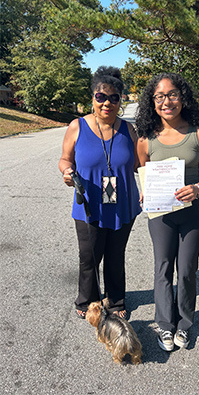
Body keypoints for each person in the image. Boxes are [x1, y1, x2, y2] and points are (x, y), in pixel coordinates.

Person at [136, 73, 199, 351]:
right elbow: (143, 174)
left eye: (172, 94)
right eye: (159, 96)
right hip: (161, 216)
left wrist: (197, 187)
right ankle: (165, 326)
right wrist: (144, 191)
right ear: (152, 102)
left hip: (191, 213)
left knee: (186, 270)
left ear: (182, 97)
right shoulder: (146, 139)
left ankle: (184, 324)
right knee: (162, 268)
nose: (166, 101)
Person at [59, 66, 141, 319]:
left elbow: (142, 164)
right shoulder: (77, 126)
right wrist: (67, 171)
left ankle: (115, 302)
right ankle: (87, 300)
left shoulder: (129, 130)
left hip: (122, 204)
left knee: (116, 256)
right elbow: (64, 159)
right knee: (89, 256)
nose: (107, 103)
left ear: (120, 101)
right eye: (101, 97)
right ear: (92, 98)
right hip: (89, 203)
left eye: (114, 98)